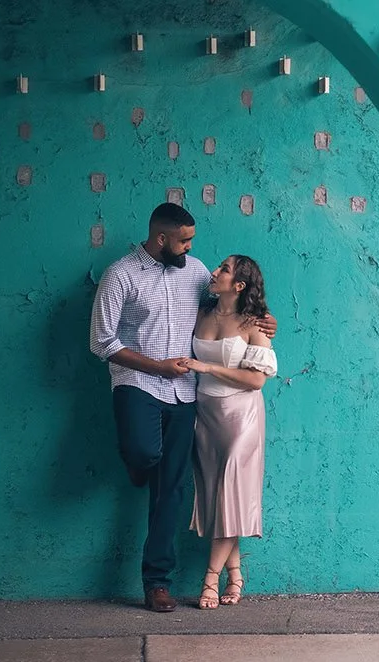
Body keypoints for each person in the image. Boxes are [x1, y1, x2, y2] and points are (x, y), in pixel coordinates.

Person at [88, 203, 274, 612]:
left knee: (170, 490)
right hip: (138, 383)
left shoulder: (195, 272)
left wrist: (265, 321)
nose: (191, 247)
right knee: (144, 452)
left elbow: (233, 307)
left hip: (186, 395)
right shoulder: (120, 275)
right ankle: (140, 464)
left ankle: (157, 582)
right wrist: (158, 367)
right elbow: (101, 341)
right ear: (162, 239)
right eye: (184, 240)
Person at [184, 254, 278, 609]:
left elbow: (256, 380)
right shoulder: (201, 313)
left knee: (231, 493)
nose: (214, 272)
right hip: (205, 414)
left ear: (238, 285)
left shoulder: (256, 323)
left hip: (241, 418)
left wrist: (206, 367)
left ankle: (210, 579)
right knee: (221, 500)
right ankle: (235, 575)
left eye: (223, 269)